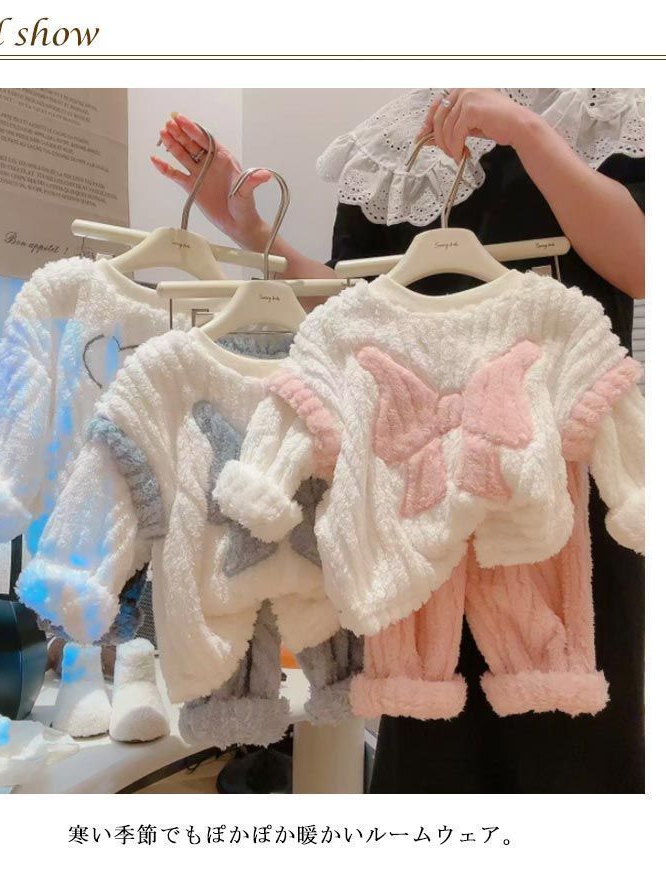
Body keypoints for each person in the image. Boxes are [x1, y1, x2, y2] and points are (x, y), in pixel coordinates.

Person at [151, 89, 645, 793]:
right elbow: (358, 309)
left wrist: (526, 131)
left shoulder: (599, 108)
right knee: (430, 761)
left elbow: (641, 265)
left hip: (560, 511)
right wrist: (252, 230)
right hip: (410, 513)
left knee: (575, 758)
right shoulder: (384, 149)